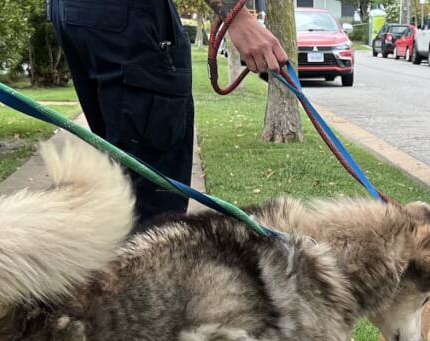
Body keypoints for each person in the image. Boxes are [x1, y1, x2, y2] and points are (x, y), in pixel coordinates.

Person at [48, 0, 289, 226]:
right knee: (153, 217)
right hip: (128, 18)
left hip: (76, 14)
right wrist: (237, 17)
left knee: (123, 188)